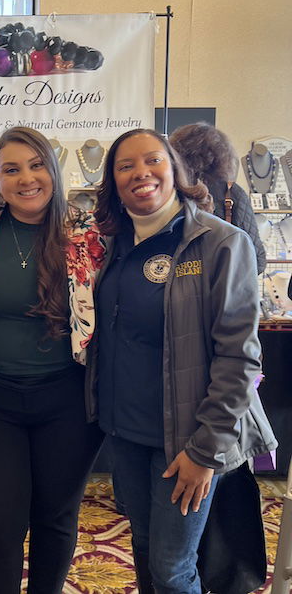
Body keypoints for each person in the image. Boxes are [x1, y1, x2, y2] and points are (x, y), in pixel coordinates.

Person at [88, 128, 277, 593]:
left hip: (188, 442)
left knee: (173, 570)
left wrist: (205, 452)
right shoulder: (110, 245)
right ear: (113, 182)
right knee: (145, 552)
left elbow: (240, 358)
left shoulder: (222, 244)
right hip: (125, 433)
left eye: (152, 160)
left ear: (175, 167)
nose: (140, 173)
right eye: (125, 166)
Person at [0, 126, 106, 593]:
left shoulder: (86, 231)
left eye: (35, 165)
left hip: (67, 398)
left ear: (53, 169)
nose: (26, 178)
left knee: (55, 517)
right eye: (11, 169)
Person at [169, 121, 266, 273]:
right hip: (223, 284)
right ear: (223, 154)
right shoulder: (232, 193)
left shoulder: (170, 191)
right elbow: (257, 261)